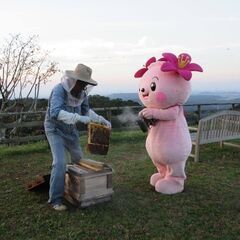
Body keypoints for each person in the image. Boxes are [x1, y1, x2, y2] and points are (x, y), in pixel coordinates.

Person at [44, 63, 111, 211]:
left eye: (85, 84)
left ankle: (77, 190)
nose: (82, 86)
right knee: (60, 163)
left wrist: (101, 120)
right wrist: (78, 118)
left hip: (70, 131)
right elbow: (55, 112)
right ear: (73, 80)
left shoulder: (82, 94)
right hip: (54, 129)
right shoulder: (59, 90)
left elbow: (87, 112)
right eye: (81, 83)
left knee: (79, 160)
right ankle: (55, 200)